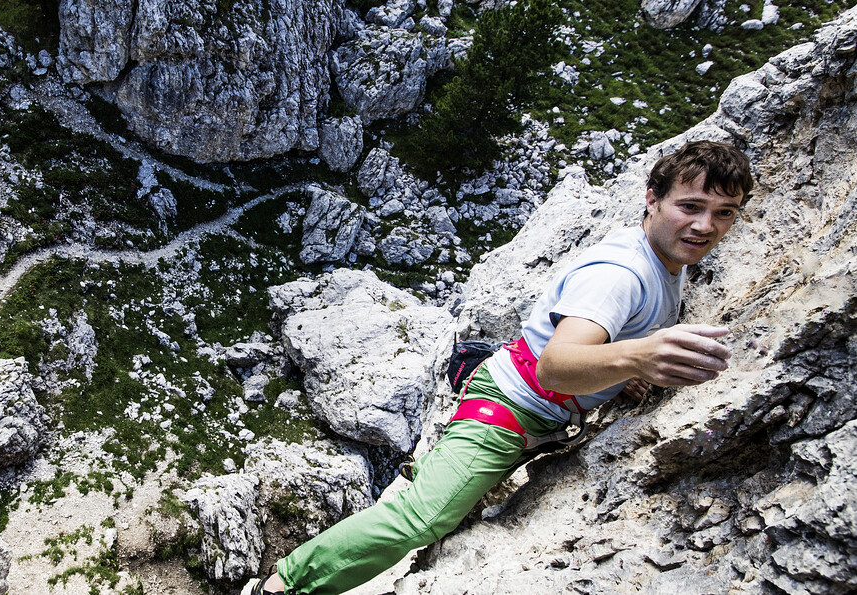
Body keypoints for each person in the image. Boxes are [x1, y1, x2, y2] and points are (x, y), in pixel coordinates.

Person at [244, 140, 754, 595]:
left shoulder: (664, 258)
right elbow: (556, 367)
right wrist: (637, 357)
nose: (705, 226)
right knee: (420, 517)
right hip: (511, 408)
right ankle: (283, 586)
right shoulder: (621, 275)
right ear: (652, 199)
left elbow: (598, 341)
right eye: (690, 206)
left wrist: (619, 370)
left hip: (528, 405)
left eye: (724, 213)